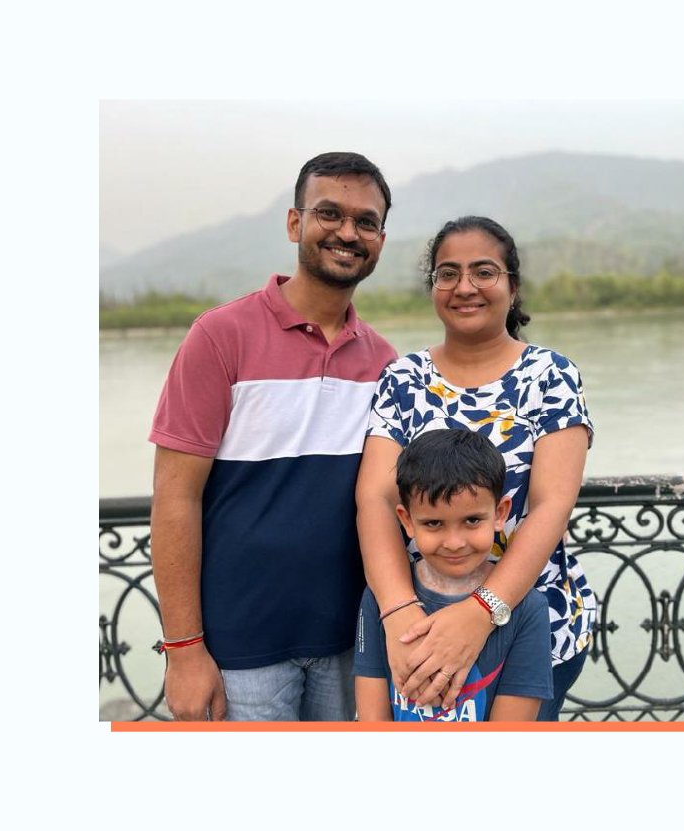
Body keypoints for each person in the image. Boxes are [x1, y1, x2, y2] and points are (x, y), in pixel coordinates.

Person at [149, 152, 398, 721]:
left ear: (381, 239)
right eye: (329, 213)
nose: (347, 232)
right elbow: (174, 497)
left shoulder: (385, 362)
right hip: (239, 649)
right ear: (295, 223)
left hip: (348, 646)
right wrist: (184, 650)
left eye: (366, 221)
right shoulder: (220, 336)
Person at [356, 216, 595, 722]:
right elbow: (376, 498)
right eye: (447, 273)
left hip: (530, 623)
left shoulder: (550, 375)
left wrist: (481, 613)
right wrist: (399, 613)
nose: (464, 287)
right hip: (417, 619)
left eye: (484, 272)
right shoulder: (403, 379)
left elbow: (551, 506)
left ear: (512, 285)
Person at [354, 430, 551, 722]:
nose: (454, 542)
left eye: (472, 520)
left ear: (500, 513)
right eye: (434, 523)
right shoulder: (379, 599)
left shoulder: (529, 610)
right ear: (406, 520)